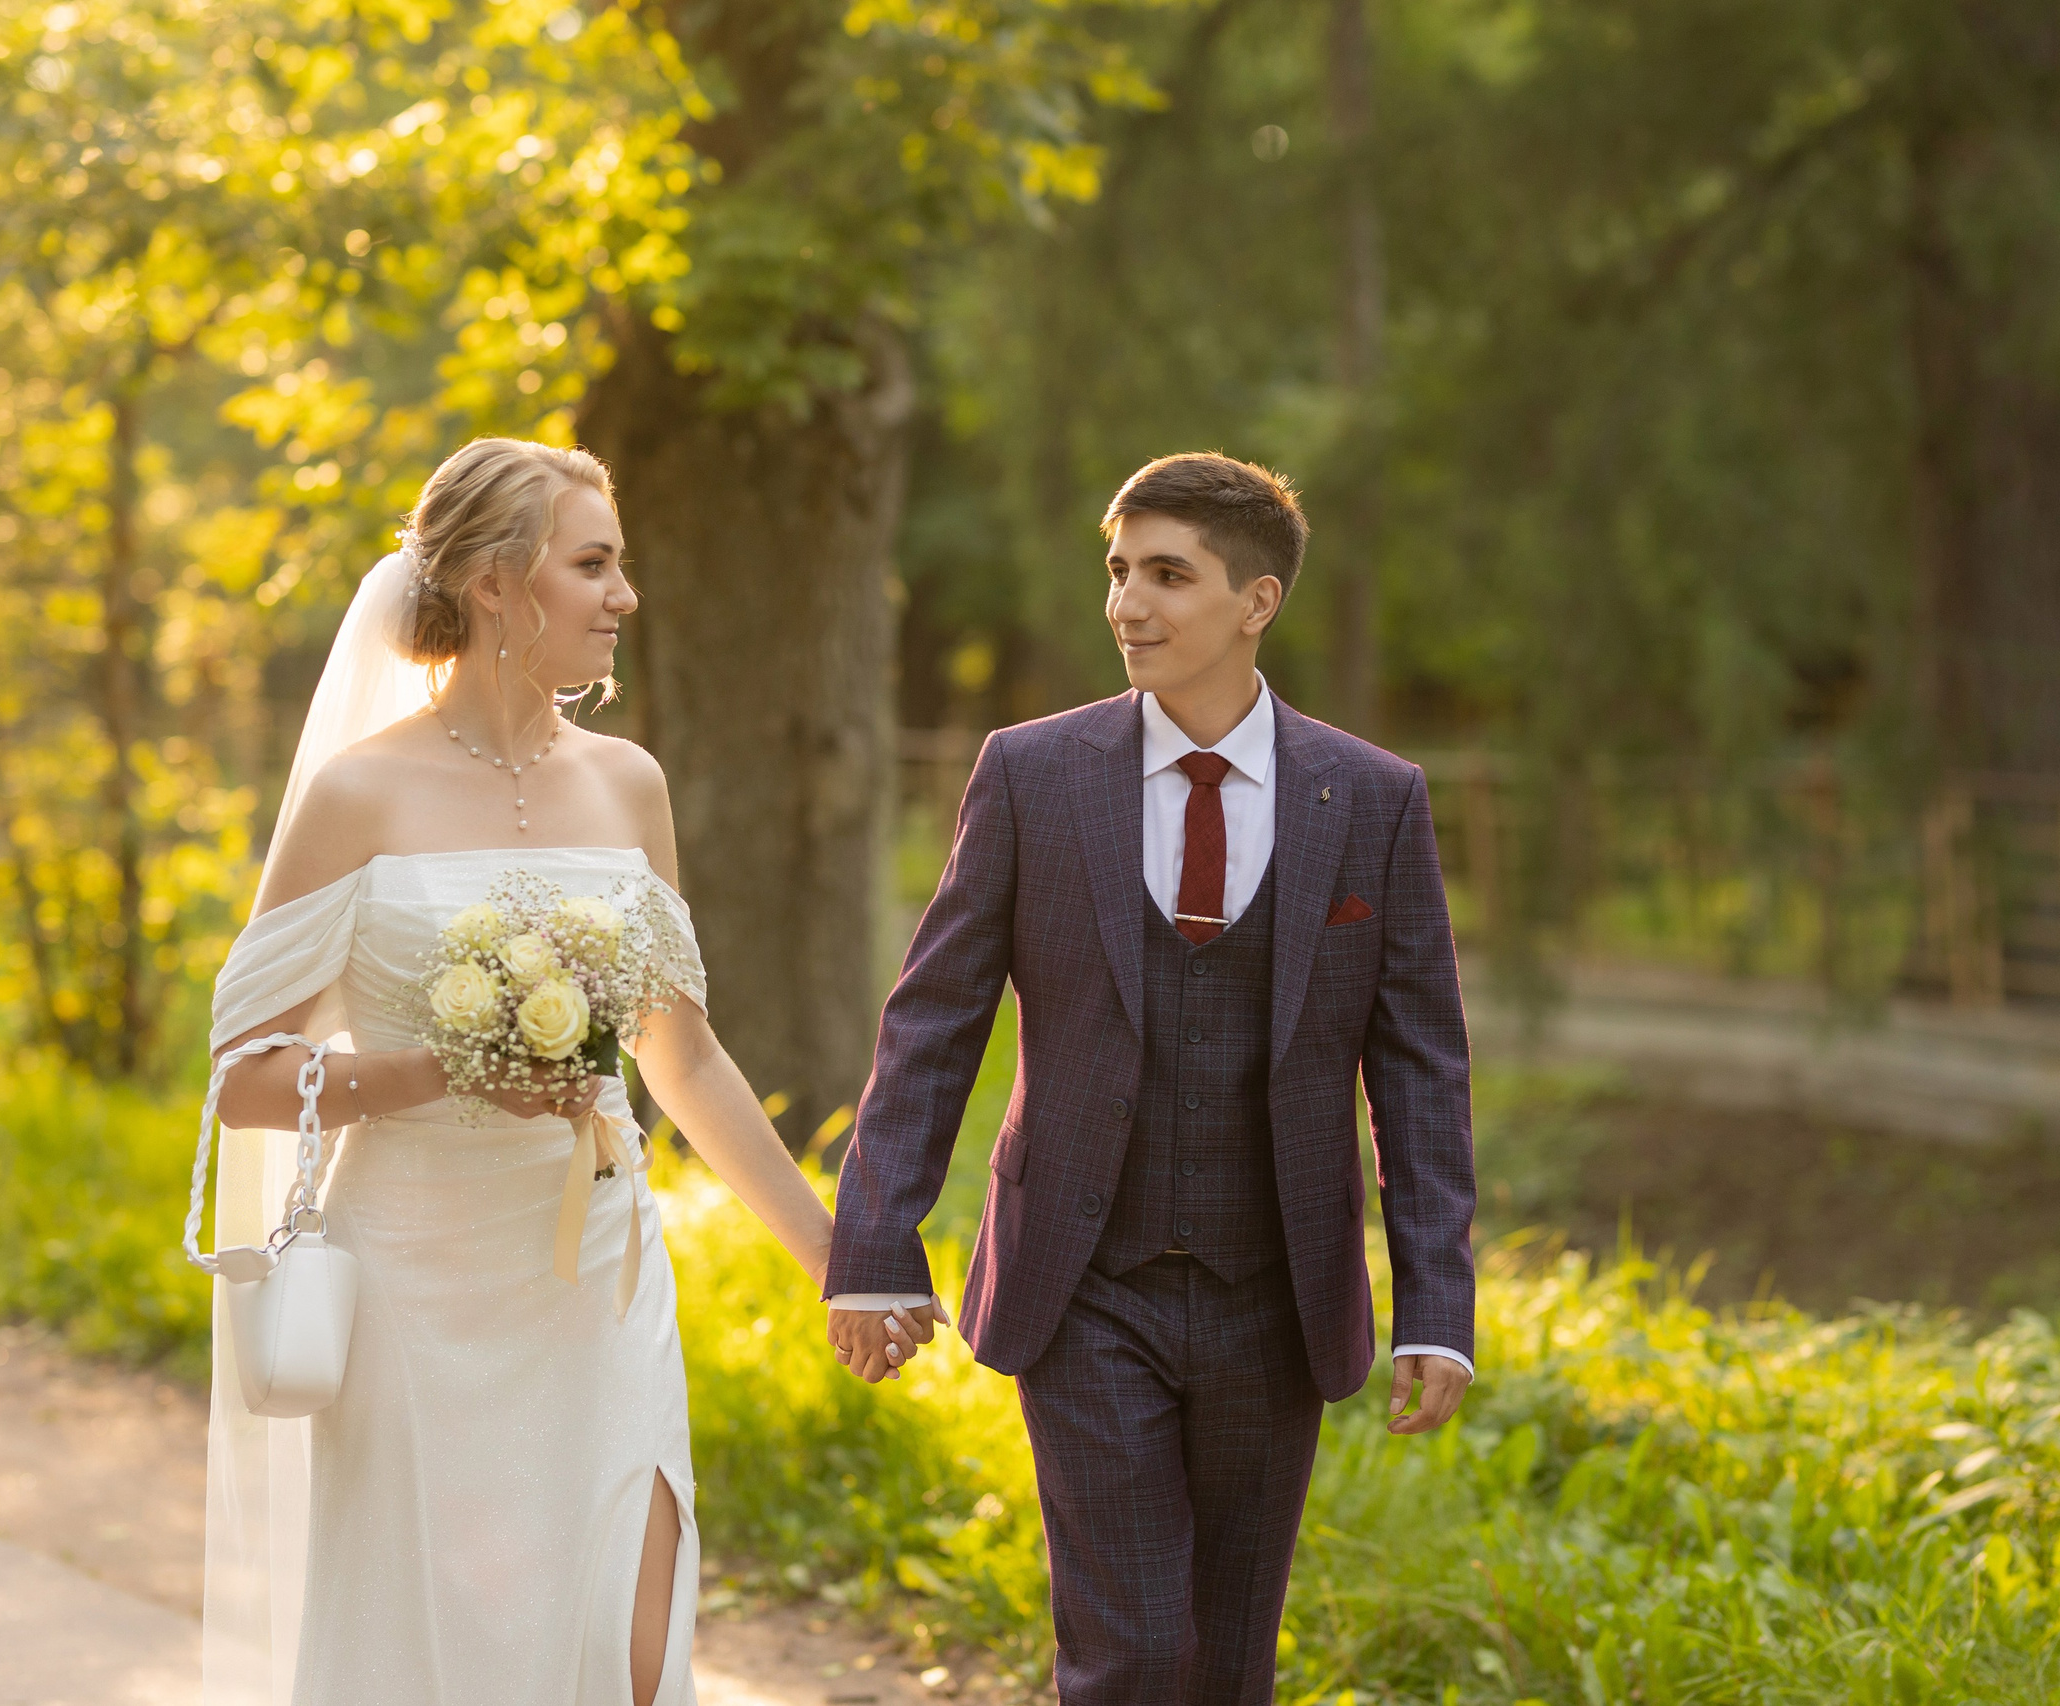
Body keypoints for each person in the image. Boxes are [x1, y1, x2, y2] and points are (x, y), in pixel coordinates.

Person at [824, 453, 1477, 1705]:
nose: (1127, 602)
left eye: (1167, 574)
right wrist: (874, 1240)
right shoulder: (1032, 772)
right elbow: (935, 1017)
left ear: (1257, 602)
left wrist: (1435, 1298)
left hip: (1274, 1296)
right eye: (1118, 570)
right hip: (1085, 1285)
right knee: (1129, 1653)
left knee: (1229, 1661)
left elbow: (1420, 1066)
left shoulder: (1375, 797)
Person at [200, 438, 836, 1706]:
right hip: (415, 1283)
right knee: (431, 1639)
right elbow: (243, 1077)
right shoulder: (359, 792)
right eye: (592, 564)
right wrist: (433, 1071)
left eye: (620, 565)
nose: (624, 596)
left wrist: (841, 1258)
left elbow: (687, 1055)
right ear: (497, 583)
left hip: (594, 1268)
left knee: (630, 1635)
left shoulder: (628, 781)